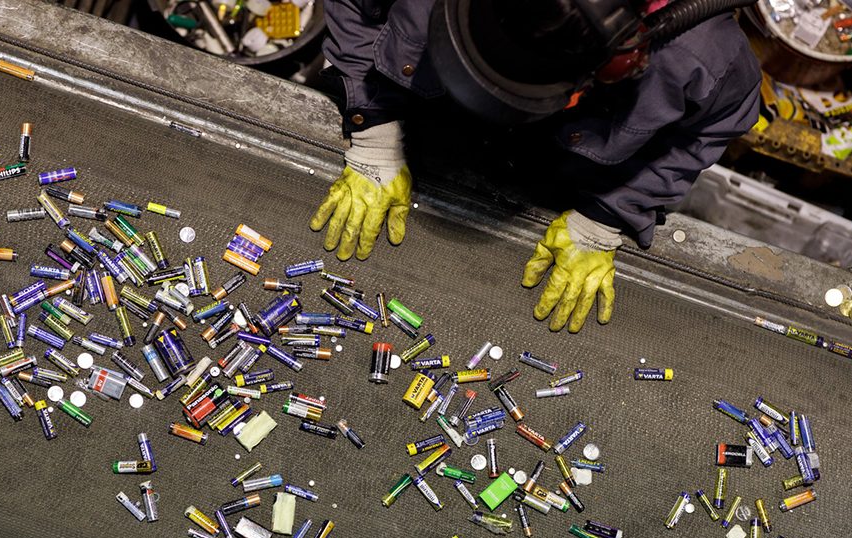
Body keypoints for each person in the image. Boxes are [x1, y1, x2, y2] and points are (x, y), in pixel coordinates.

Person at [309, 0, 762, 332]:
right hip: (423, 101)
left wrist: (611, 214)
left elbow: (717, 122)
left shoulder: (699, 54)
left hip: (559, 162)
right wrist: (374, 127)